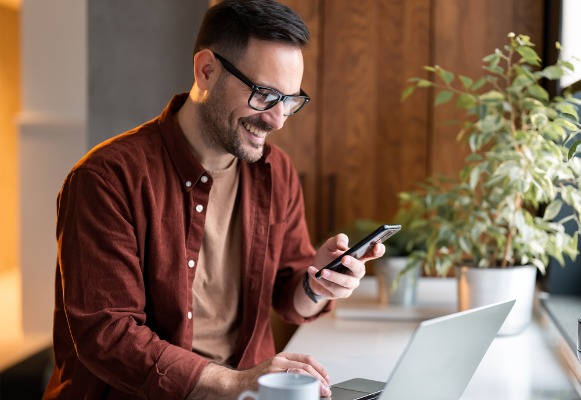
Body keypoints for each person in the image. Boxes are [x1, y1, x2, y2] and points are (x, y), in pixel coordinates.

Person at [43, 1, 384, 398]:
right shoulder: (106, 179)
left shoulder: (276, 172)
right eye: (264, 95)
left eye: (290, 101)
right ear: (206, 70)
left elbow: (289, 299)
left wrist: (318, 285)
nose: (276, 120)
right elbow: (108, 335)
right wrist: (238, 382)